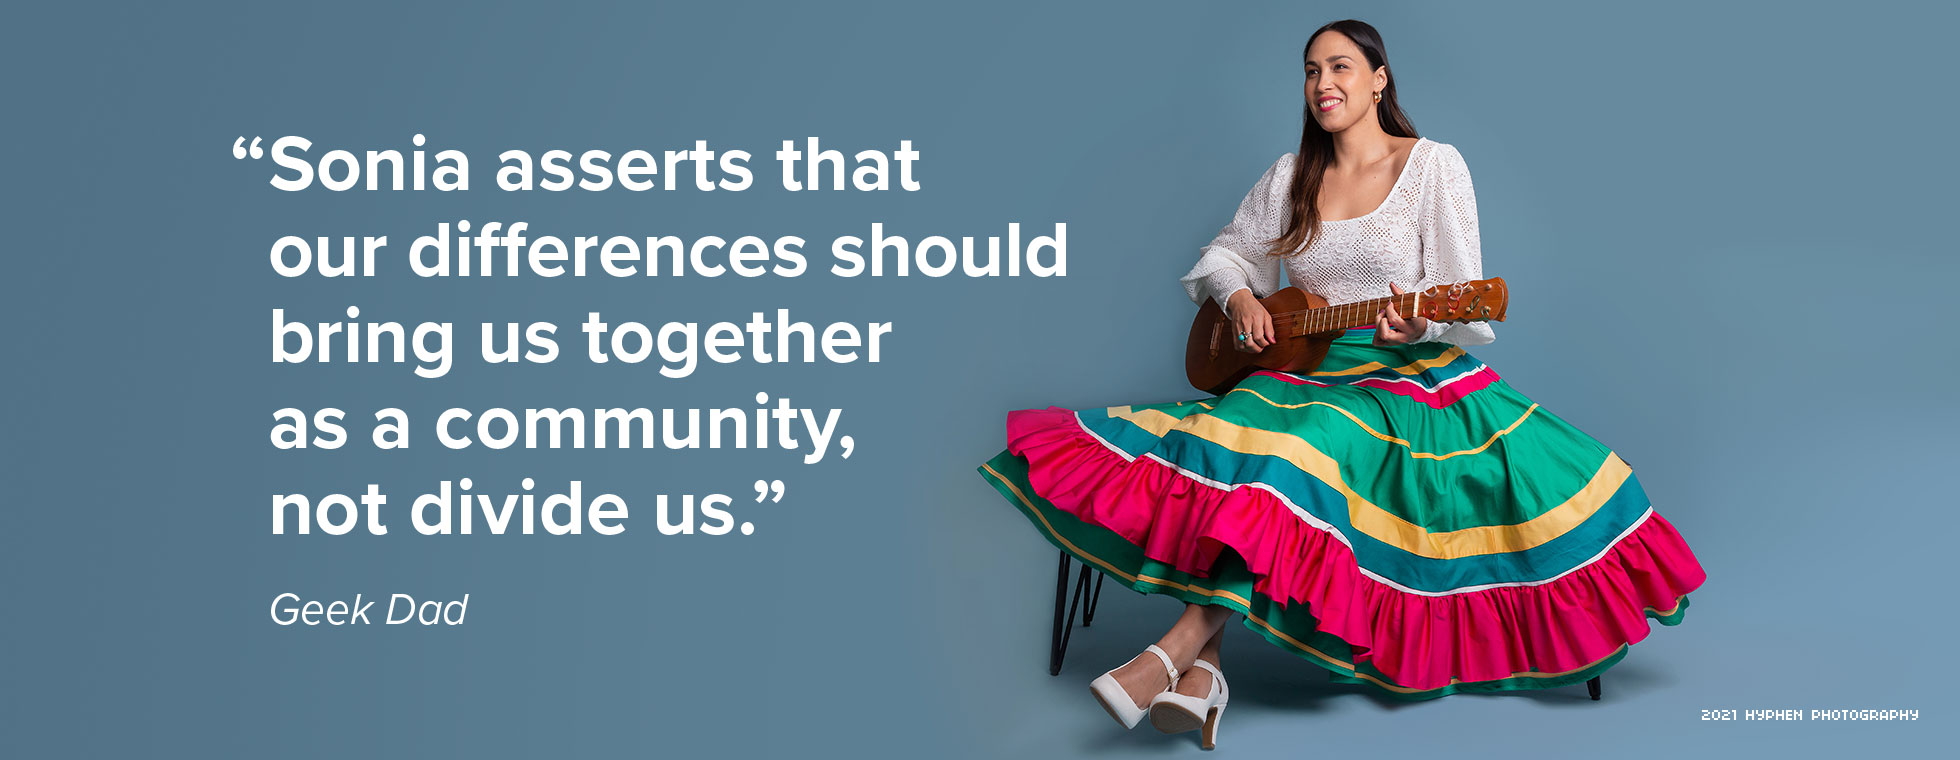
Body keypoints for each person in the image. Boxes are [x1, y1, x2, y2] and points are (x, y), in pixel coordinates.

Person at [975, 19, 1707, 749]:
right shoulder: (1291, 174)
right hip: (1306, 368)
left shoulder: (1432, 167)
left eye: (1341, 67)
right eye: (1311, 70)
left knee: (1299, 451)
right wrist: (1241, 301)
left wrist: (1417, 326)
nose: (1323, 84)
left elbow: (1460, 296)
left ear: (1380, 78)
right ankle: (1204, 676)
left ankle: (1178, 651)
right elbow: (1225, 257)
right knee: (1231, 446)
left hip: (1406, 377)